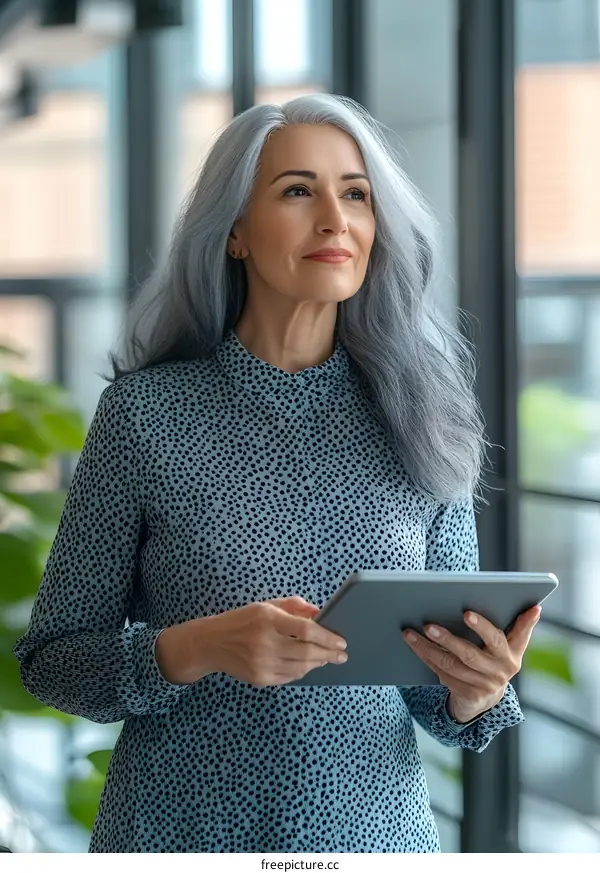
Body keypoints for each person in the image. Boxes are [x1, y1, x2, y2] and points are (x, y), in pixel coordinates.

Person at [14, 93, 540, 854]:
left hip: (374, 841)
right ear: (234, 232)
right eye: (299, 191)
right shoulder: (144, 415)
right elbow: (53, 660)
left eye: (355, 194)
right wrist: (196, 647)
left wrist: (475, 688)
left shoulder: (427, 418)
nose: (337, 219)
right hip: (179, 838)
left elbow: (440, 696)